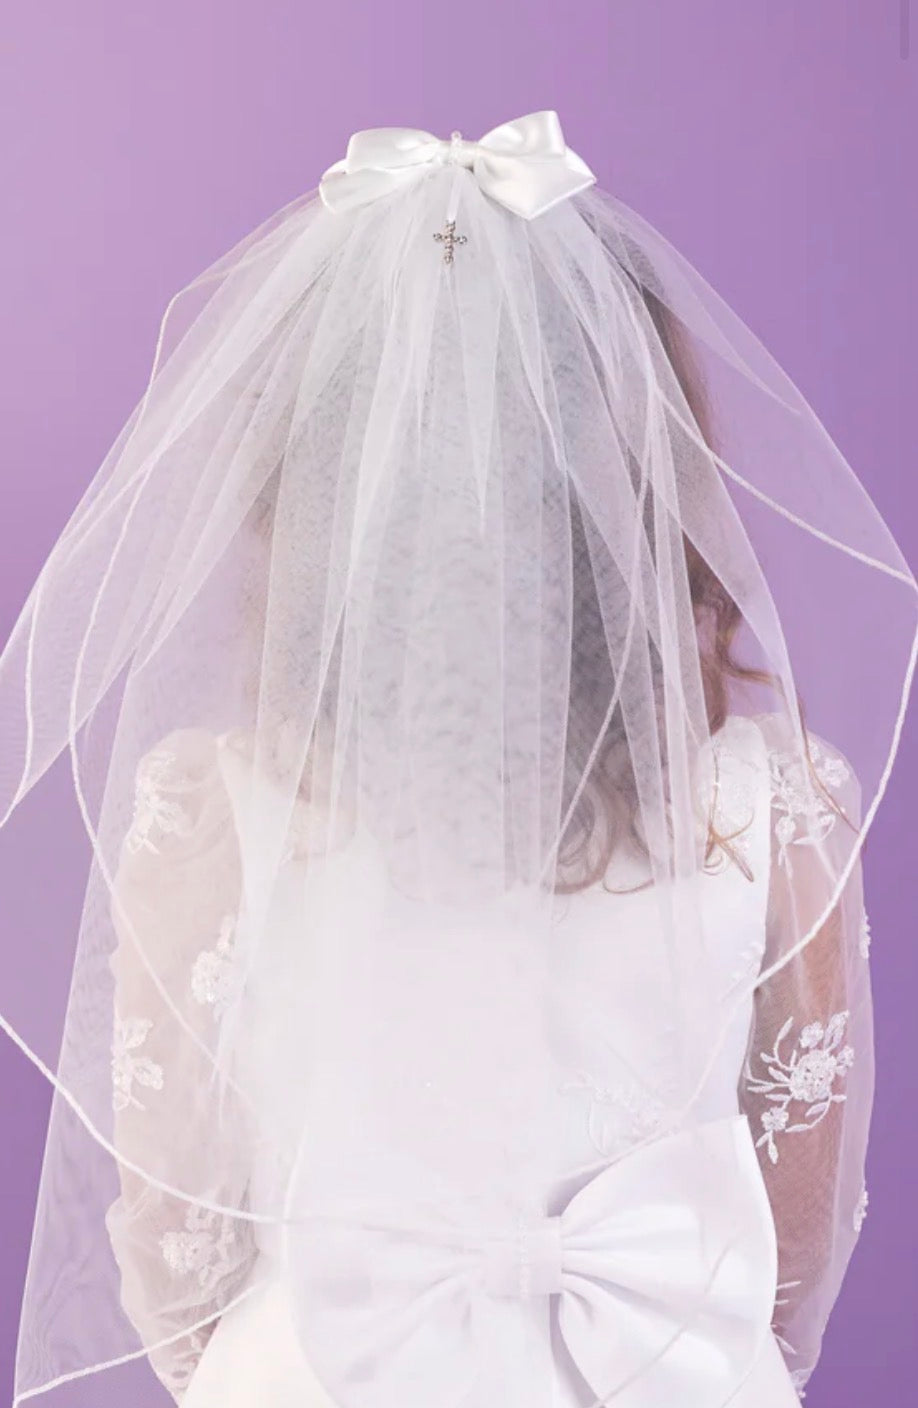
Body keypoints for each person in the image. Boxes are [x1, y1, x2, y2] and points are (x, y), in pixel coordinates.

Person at [2, 112, 915, 1408]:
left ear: (310, 496)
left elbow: (178, 1256)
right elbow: (791, 1246)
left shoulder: (215, 815)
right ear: (645, 474)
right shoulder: (773, 810)